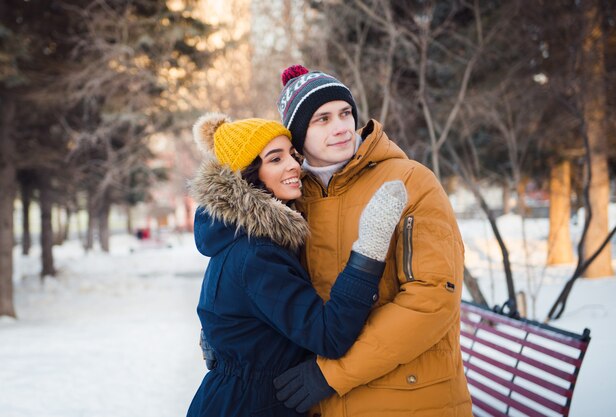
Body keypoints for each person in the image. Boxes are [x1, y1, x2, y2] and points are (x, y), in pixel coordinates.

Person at [272, 65, 472, 416]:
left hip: (412, 401)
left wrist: (332, 374)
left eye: (345, 113)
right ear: (299, 134)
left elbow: (432, 298)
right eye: (322, 119)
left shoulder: (410, 181)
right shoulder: (294, 199)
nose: (340, 128)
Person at [186, 113, 407, 417]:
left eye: (292, 154)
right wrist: (368, 252)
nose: (294, 165)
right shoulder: (257, 253)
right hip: (250, 406)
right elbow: (329, 335)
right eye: (275, 159)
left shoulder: (235, 237)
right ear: (247, 176)